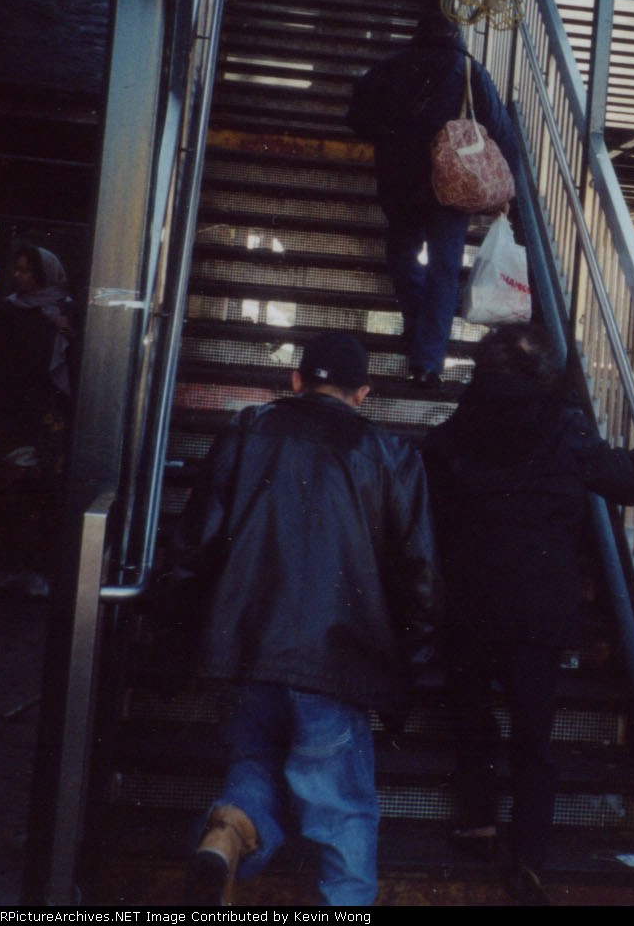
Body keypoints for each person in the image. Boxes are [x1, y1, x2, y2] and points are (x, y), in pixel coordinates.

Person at [174, 330, 440, 906]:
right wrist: (417, 661)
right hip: (337, 659)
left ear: (296, 381)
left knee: (254, 757)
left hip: (244, 646)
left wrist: (181, 629)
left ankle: (230, 828)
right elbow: (418, 571)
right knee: (342, 810)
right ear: (363, 393)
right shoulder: (392, 454)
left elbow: (196, 543)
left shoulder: (247, 431)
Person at [421, 323, 634, 905]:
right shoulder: (567, 429)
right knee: (534, 735)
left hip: (470, 604)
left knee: (472, 716)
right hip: (539, 609)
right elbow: (628, 484)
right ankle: (528, 856)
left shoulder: (449, 437)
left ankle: (477, 819)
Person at [347, 8, 518, 391]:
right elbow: (501, 131)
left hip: (399, 181)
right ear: (456, 35)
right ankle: (428, 363)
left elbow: (356, 117)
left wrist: (393, 134)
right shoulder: (470, 71)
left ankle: (416, 324)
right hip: (453, 185)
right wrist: (509, 188)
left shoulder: (390, 67)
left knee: (403, 253)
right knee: (445, 269)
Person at [0, 245, 77, 595]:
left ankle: (35, 568)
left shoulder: (65, 311)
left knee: (40, 493)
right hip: (15, 414)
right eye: (19, 269)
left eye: (28, 271)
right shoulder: (9, 310)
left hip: (48, 417)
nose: (19, 276)